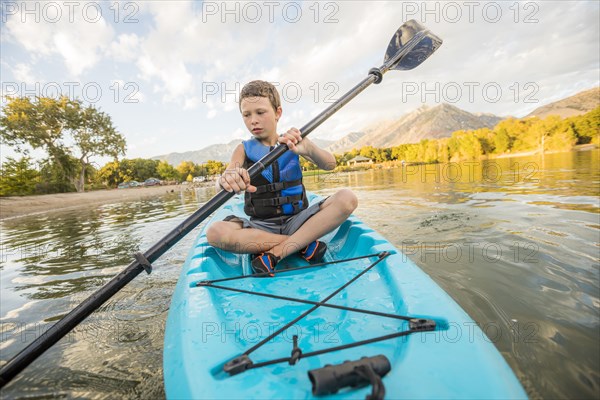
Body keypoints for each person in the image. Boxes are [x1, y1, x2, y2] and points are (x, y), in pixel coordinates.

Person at [206, 80, 358, 276]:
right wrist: (226, 179)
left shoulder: (293, 142)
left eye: (260, 112)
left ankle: (276, 252)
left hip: (299, 220)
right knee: (215, 233)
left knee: (347, 198)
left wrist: (309, 148)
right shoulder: (242, 149)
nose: (253, 120)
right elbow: (227, 177)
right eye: (247, 115)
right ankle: (301, 244)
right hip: (260, 227)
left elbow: (330, 165)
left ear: (278, 113)